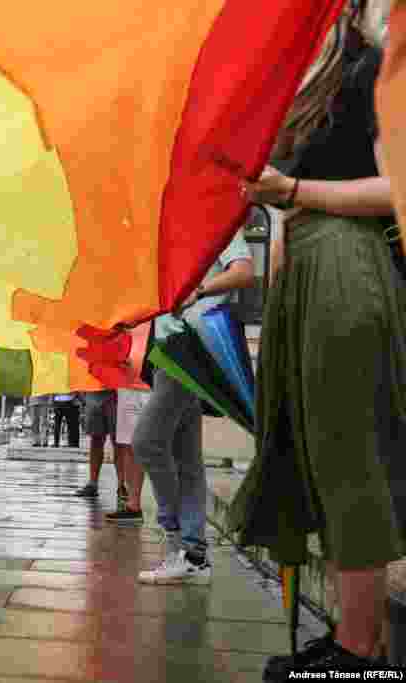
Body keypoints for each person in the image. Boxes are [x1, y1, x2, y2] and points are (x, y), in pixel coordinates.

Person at [234, 1, 406, 674]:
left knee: (346, 453)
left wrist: (295, 187)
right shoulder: (331, 82)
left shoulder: (373, 73)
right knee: (325, 453)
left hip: (346, 268)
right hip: (315, 267)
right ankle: (355, 638)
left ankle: (360, 651)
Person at [133, 231, 253, 586]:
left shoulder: (219, 222)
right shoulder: (171, 226)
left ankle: (177, 540)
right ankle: (194, 556)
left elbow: (244, 271)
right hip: (166, 349)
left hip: (190, 349)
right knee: (187, 457)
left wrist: (199, 291)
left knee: (147, 442)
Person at [105, 387, 152, 524]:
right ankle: (133, 504)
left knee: (136, 445)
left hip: (142, 385)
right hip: (127, 384)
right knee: (129, 445)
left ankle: (135, 505)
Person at [74, 390, 118, 498]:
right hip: (94, 390)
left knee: (118, 439)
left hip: (117, 390)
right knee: (96, 437)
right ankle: (92, 484)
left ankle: (122, 485)